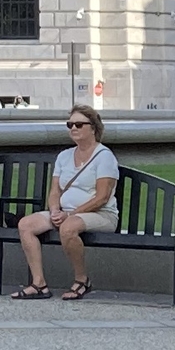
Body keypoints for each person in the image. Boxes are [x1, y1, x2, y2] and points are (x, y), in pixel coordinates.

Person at [18, 105, 119, 299]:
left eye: (79, 124)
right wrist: (55, 209)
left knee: (68, 227)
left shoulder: (104, 157)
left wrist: (70, 214)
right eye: (70, 124)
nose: (73, 128)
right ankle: (39, 283)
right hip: (66, 212)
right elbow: (55, 190)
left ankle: (82, 280)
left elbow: (102, 197)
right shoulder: (64, 156)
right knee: (26, 224)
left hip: (101, 215)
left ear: (93, 128)